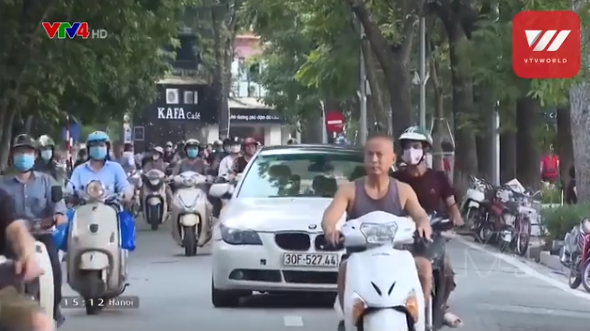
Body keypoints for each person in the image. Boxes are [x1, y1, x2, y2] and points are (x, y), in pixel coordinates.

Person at [320, 134, 433, 318]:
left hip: (397, 257)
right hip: (360, 257)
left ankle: (420, 319)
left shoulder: (403, 190)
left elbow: (420, 214)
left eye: (379, 155)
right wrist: (330, 229)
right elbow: (329, 216)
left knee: (425, 268)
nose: (374, 160)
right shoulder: (349, 190)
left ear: (392, 159)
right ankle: (347, 320)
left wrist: (423, 224)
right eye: (369, 154)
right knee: (344, 269)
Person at [390, 126, 462, 327]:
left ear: (425, 150)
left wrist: (456, 220)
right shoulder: (396, 180)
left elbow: (452, 206)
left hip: (433, 233)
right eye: (407, 147)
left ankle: (439, 308)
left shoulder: (438, 178)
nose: (411, 152)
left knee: (445, 269)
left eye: (415, 146)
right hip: (402, 235)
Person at [0, 134, 68, 326]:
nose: (23, 156)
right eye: (19, 152)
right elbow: (11, 225)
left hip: (42, 236)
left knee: (54, 267)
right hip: (10, 241)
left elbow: (59, 208)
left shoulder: (46, 181)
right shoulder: (3, 185)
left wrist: (57, 217)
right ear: (12, 156)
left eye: (27, 152)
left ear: (35, 155)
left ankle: (54, 308)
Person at [68, 131, 132, 199]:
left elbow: (124, 186)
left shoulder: (116, 168)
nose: (98, 148)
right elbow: (70, 188)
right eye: (94, 145)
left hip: (110, 207)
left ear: (107, 148)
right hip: (84, 207)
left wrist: (126, 193)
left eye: (101, 145)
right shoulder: (79, 170)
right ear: (88, 149)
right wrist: (70, 195)